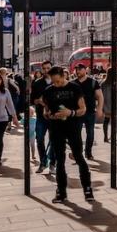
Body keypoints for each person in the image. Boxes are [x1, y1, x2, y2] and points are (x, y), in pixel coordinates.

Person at [41, 66, 94, 204]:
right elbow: (45, 111)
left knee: (78, 157)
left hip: (73, 127)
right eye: (53, 82)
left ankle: (87, 189)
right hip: (56, 128)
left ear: (63, 76)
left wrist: (70, 113)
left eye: (58, 81)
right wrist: (49, 115)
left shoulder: (74, 88)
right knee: (59, 159)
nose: (56, 84)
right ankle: (61, 191)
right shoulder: (48, 91)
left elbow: (83, 109)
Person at [74, 63, 102, 159]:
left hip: (90, 112)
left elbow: (100, 96)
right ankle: (79, 152)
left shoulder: (93, 82)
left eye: (80, 69)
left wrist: (99, 109)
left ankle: (88, 152)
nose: (78, 71)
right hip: (78, 112)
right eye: (76, 69)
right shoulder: (73, 83)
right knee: (77, 133)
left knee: (90, 133)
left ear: (85, 70)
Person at [31, 61, 54, 174]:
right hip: (41, 116)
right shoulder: (37, 83)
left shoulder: (57, 81)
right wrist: (38, 101)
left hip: (55, 117)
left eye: (48, 68)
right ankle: (43, 162)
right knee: (39, 139)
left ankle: (52, 164)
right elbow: (32, 100)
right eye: (44, 68)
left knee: (54, 141)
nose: (46, 70)